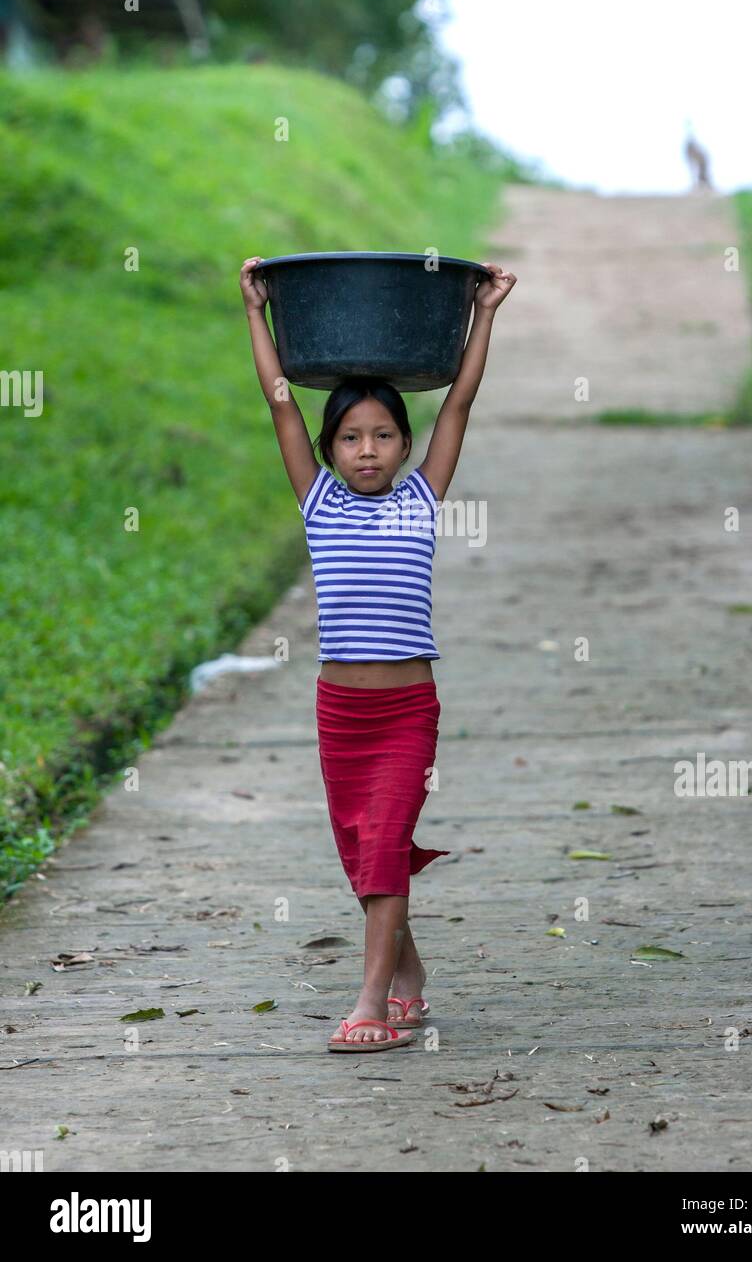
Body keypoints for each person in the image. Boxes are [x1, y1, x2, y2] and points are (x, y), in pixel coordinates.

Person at [239, 253, 517, 1051]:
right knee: (366, 858)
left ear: (404, 446)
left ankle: (366, 1004)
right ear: (329, 451)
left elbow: (460, 399)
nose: (367, 450)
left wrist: (486, 310)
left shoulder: (424, 499)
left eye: (384, 435)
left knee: (386, 846)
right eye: (351, 437)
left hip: (405, 711)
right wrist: (255, 310)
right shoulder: (318, 501)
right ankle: (408, 975)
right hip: (341, 713)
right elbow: (281, 402)